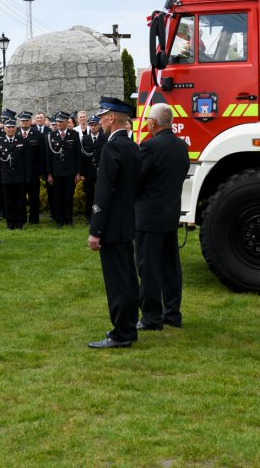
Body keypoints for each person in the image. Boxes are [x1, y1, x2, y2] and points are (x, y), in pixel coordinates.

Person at [87, 96, 141, 349]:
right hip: (127, 221)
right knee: (128, 277)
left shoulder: (112, 147)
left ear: (111, 118)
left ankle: (121, 333)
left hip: (111, 225)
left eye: (102, 116)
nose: (99, 120)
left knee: (118, 282)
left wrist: (95, 230)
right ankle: (129, 326)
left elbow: (105, 192)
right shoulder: (132, 146)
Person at [135, 103, 191, 330]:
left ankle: (151, 317)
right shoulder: (181, 146)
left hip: (149, 217)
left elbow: (137, 179)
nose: (147, 122)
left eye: (148, 119)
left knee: (148, 269)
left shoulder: (149, 147)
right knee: (170, 268)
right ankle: (172, 313)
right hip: (170, 214)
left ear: (154, 122)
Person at [46, 111, 81, 227]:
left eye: (61, 121)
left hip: (70, 171)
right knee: (57, 197)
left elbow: (78, 155)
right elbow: (48, 156)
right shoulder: (51, 135)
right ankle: (59, 220)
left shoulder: (74, 134)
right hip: (56, 172)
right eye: (57, 122)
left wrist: (77, 173)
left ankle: (68, 219)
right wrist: (49, 174)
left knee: (68, 197)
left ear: (67, 122)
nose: (59, 124)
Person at [0, 117, 28, 229]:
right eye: (8, 127)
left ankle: (19, 223)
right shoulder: (0, 142)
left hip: (19, 176)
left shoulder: (22, 141)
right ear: (4, 129)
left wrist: (26, 176)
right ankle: (10, 223)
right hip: (5, 176)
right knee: (8, 201)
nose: (10, 129)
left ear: (16, 129)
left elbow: (26, 160)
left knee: (20, 201)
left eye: (12, 127)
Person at [18, 111, 46, 224]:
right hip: (20, 172)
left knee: (34, 197)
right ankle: (22, 218)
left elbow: (42, 155)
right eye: (23, 121)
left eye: (26, 120)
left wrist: (41, 171)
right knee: (20, 197)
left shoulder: (38, 135)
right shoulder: (16, 134)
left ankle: (34, 219)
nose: (24, 123)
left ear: (30, 121)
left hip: (34, 172)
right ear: (20, 122)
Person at [79, 115, 106, 221]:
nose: (93, 127)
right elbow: (82, 157)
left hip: (101, 171)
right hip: (88, 172)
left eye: (95, 125)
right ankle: (89, 216)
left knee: (100, 195)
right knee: (89, 195)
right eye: (91, 125)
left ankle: (99, 215)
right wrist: (81, 173)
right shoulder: (84, 139)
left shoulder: (105, 137)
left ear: (99, 126)